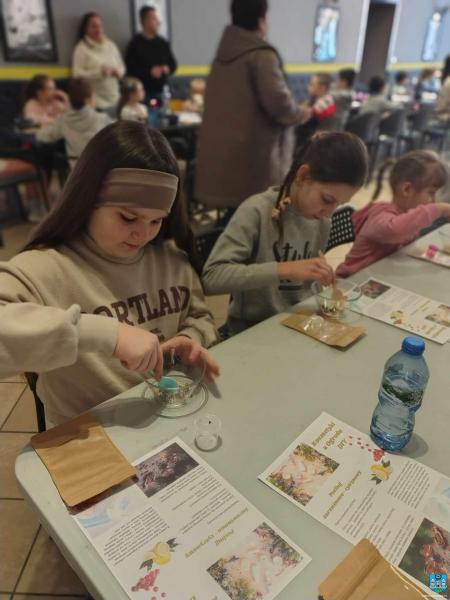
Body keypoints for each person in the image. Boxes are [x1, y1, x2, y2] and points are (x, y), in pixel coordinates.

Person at [0, 121, 219, 427]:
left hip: (163, 416)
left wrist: (188, 340)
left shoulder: (171, 258)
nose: (143, 234)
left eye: (156, 221)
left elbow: (200, 317)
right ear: (88, 201)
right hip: (89, 432)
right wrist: (109, 334)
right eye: (128, 217)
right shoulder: (46, 267)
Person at [202, 132, 368, 335]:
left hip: (301, 323)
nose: (330, 212)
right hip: (254, 331)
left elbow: (305, 287)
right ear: (303, 175)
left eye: (339, 204)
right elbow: (212, 278)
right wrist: (285, 269)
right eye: (327, 199)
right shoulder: (257, 211)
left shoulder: (322, 219)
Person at [195, 0, 304, 214]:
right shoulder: (261, 55)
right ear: (262, 20)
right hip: (253, 160)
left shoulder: (222, 56)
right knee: (252, 222)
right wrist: (300, 113)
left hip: (223, 158)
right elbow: (279, 103)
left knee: (232, 219)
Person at [336, 151, 450, 278]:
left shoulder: (407, 217)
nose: (433, 200)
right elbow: (395, 230)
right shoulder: (381, 215)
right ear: (407, 189)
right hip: (350, 281)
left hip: (378, 277)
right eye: (431, 193)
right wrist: (439, 209)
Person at [36, 78, 111, 168]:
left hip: (75, 172)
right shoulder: (102, 119)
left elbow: (42, 136)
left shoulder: (63, 120)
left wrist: (42, 128)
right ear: (88, 99)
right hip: (99, 170)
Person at [72, 13, 125, 113]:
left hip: (116, 99)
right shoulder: (81, 48)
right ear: (86, 29)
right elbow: (77, 75)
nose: (98, 29)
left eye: (100, 26)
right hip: (97, 103)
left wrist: (118, 72)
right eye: (94, 26)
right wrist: (99, 73)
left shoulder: (111, 45)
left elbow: (121, 66)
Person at [125, 5, 177, 103]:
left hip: (162, 92)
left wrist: (167, 68)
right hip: (142, 94)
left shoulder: (163, 43)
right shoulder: (135, 44)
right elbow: (130, 70)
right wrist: (150, 72)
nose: (158, 22)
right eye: (154, 18)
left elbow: (173, 65)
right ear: (145, 21)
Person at [296, 73, 338, 147]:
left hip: (318, 139)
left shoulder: (324, 103)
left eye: (312, 84)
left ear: (322, 87)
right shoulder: (322, 98)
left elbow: (302, 119)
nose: (308, 87)